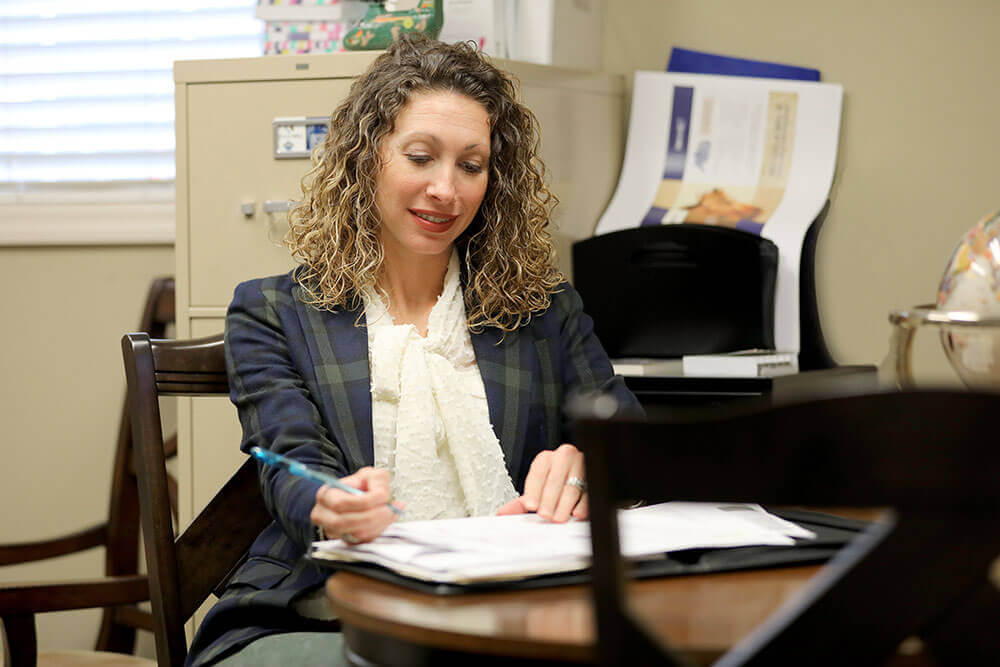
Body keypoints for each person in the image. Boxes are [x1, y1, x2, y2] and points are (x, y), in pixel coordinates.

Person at [191, 34, 641, 666]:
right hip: (322, 617)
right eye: (421, 156)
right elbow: (289, 464)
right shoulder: (273, 312)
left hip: (515, 615)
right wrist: (330, 503)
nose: (445, 190)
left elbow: (636, 441)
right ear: (367, 158)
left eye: (471, 165)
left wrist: (591, 463)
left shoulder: (545, 310)